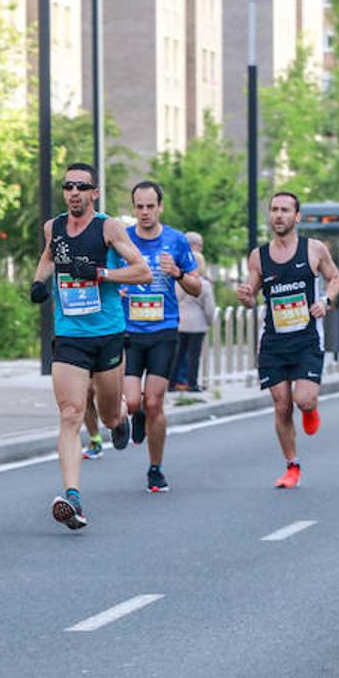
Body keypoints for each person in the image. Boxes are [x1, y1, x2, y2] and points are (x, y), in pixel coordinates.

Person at [30, 162, 150, 528]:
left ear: (94, 193)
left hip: (107, 334)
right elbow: (48, 257)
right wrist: (39, 281)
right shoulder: (54, 228)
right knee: (70, 413)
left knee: (110, 414)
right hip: (69, 336)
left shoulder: (109, 227)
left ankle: (123, 418)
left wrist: (101, 274)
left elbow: (142, 270)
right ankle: (73, 497)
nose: (75, 193)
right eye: (69, 186)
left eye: (82, 187)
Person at [235, 191, 339, 489]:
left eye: (285, 210)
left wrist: (326, 301)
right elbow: (252, 294)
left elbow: (336, 278)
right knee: (282, 405)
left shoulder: (314, 250)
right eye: (274, 210)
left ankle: (310, 410)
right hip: (273, 341)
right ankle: (292, 466)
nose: (278, 215)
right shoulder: (258, 256)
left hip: (307, 338)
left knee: (303, 400)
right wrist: (246, 296)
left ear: (297, 216)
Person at [113, 181, 200, 493]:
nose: (145, 212)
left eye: (151, 206)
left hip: (164, 331)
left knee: (155, 402)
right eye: (140, 206)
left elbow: (196, 287)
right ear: (133, 208)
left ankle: (155, 468)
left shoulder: (176, 240)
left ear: (160, 207)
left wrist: (177, 273)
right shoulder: (123, 239)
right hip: (130, 331)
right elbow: (107, 276)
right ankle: (134, 416)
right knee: (133, 402)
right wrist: (116, 288)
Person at [173, 231, 214, 392]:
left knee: (179, 354)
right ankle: (192, 384)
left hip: (180, 322)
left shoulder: (178, 280)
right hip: (197, 324)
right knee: (193, 357)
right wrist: (209, 321)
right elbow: (209, 308)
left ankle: (172, 383)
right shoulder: (203, 284)